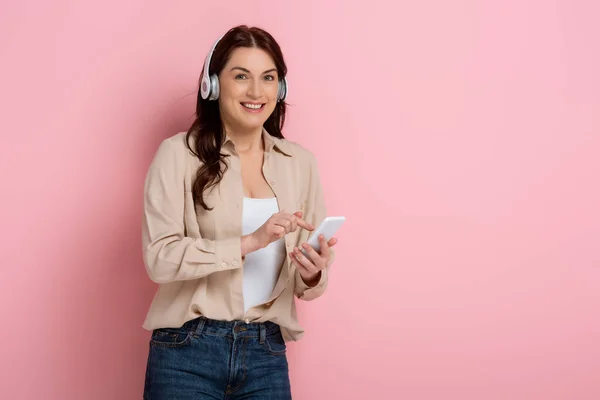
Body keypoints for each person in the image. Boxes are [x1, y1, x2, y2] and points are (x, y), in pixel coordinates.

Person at [141, 25, 339, 399]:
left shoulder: (300, 163)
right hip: (187, 350)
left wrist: (313, 274)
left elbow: (303, 283)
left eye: (268, 78)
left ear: (280, 89)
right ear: (212, 86)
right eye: (241, 76)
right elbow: (159, 258)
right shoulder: (178, 155)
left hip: (266, 352)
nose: (255, 91)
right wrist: (249, 242)